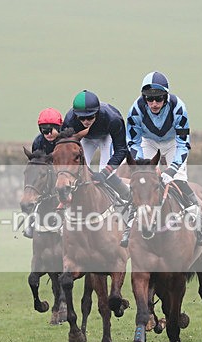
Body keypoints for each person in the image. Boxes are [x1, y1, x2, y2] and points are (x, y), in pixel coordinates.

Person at [124, 71, 202, 247]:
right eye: (149, 99)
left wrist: (172, 170)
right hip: (148, 142)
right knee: (142, 183)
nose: (154, 103)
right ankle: (128, 228)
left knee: (179, 180)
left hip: (173, 143)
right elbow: (133, 142)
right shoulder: (135, 109)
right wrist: (142, 166)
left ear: (166, 96)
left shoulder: (178, 107)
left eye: (158, 98)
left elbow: (183, 143)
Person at [61, 90, 131, 203]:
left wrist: (105, 172)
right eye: (81, 118)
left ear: (97, 113)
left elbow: (121, 149)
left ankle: (128, 198)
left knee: (106, 174)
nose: (86, 121)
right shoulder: (70, 120)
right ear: (75, 115)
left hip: (106, 138)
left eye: (90, 117)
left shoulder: (113, 119)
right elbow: (65, 147)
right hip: (86, 139)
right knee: (79, 172)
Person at [24, 107, 63, 238]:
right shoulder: (38, 142)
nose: (48, 134)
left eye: (51, 129)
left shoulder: (65, 141)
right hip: (48, 175)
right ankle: (31, 221)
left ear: (59, 127)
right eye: (44, 130)